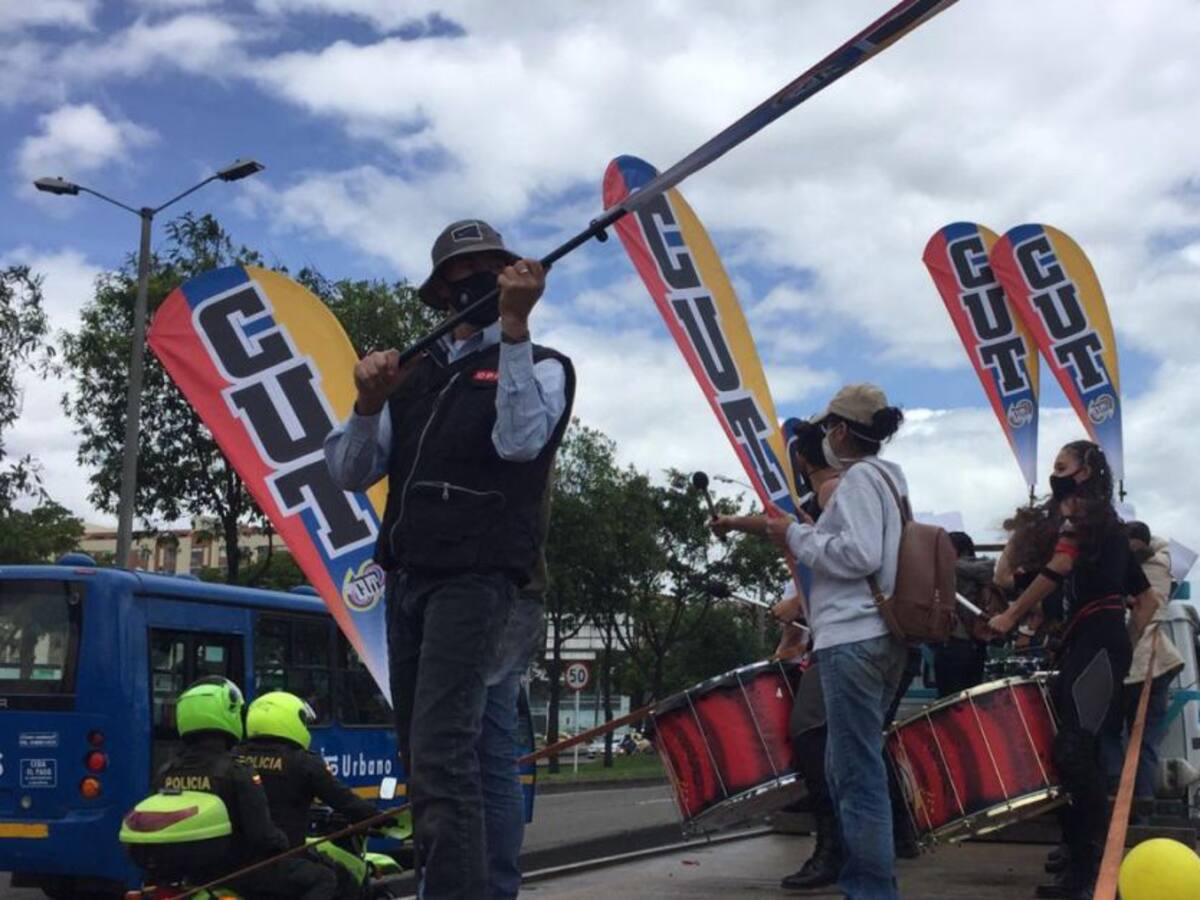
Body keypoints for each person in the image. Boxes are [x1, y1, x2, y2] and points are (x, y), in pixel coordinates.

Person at [324, 219, 573, 900]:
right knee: (440, 752)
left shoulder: (542, 363)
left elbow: (522, 443)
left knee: (443, 755)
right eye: (459, 279)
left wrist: (515, 332)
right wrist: (368, 402)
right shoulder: (417, 375)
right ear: (438, 296)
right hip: (410, 581)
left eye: (488, 275)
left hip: (486, 582)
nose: (473, 288)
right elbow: (349, 471)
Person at [714, 383, 909, 899]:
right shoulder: (889, 478)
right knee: (846, 764)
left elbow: (859, 554)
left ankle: (870, 889)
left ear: (839, 431)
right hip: (878, 637)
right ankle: (865, 879)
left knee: (855, 775)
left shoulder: (860, 479)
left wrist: (798, 538)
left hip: (853, 637)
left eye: (825, 429)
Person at [988, 441, 1158, 899]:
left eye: (1062, 466)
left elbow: (1060, 565)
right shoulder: (1108, 526)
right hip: (1095, 641)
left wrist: (1012, 615)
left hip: (1097, 642)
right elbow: (1145, 600)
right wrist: (1125, 640)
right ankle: (1080, 860)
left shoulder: (1085, 514)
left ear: (1084, 472)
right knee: (1072, 751)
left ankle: (1088, 874)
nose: (1055, 474)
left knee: (1076, 751)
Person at [155, 677, 337, 900]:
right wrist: (285, 843)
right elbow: (263, 835)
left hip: (191, 875)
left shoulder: (166, 771)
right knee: (325, 878)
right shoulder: (238, 771)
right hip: (243, 872)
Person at [1098, 522, 1185, 806]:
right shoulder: (1166, 567)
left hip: (1134, 662)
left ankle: (1115, 789)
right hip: (1159, 663)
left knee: (1108, 731)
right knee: (1145, 740)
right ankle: (1143, 799)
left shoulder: (1133, 569)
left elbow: (1134, 614)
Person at [239, 692, 380, 848]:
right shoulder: (304, 762)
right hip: (285, 856)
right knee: (334, 871)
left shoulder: (235, 756)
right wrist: (381, 819)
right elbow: (344, 800)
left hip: (240, 859)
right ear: (289, 720)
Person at [933, 531, 995, 697]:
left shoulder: (951, 570)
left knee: (948, 700)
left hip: (954, 642)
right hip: (978, 642)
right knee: (972, 699)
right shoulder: (986, 571)